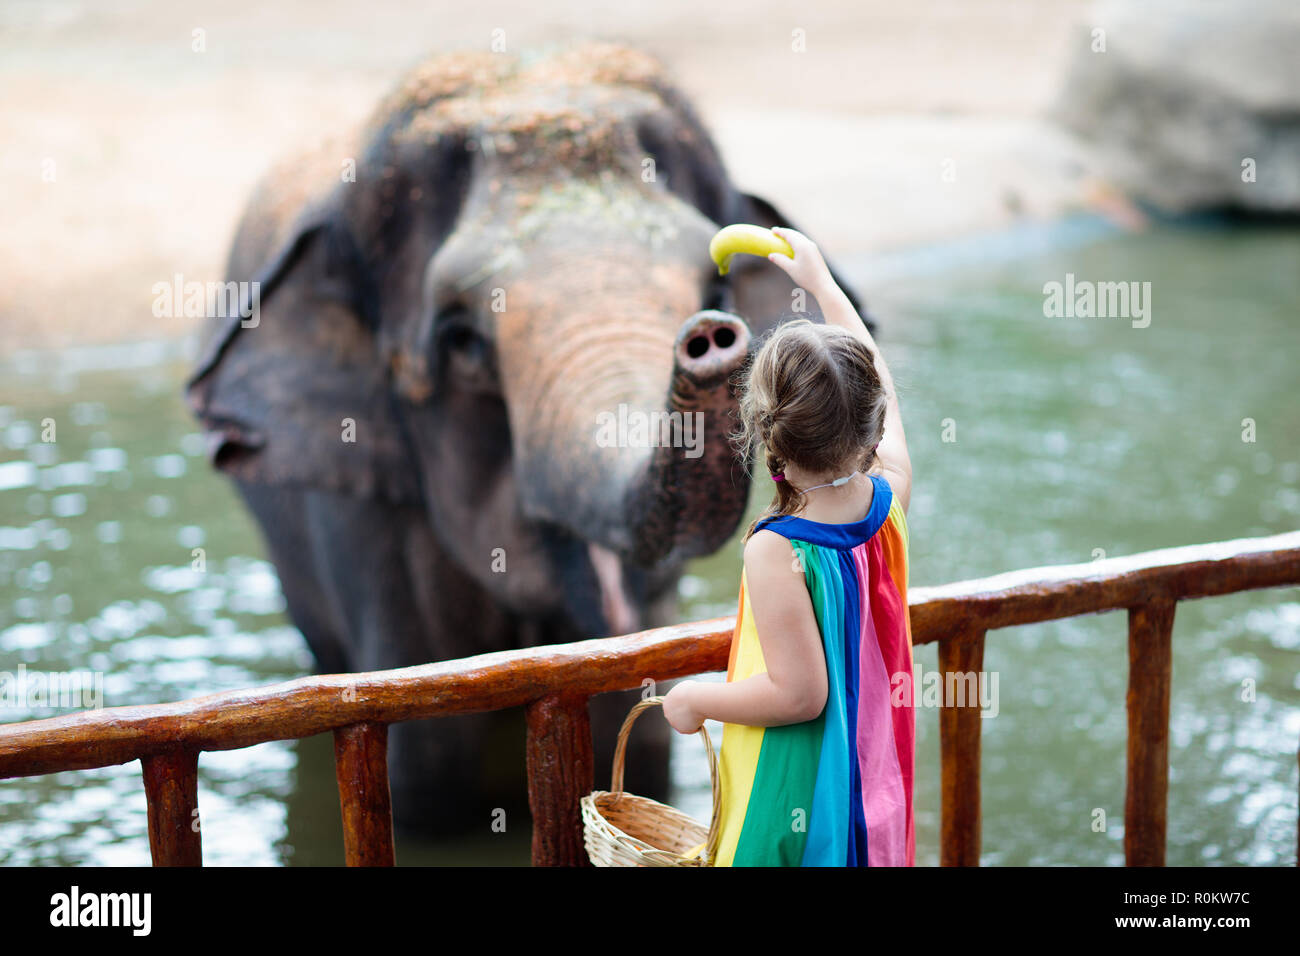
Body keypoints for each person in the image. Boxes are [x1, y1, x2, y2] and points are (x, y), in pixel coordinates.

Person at [662, 226, 914, 866]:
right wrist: (824, 285)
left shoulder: (776, 549)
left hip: (797, 797)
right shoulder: (890, 500)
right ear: (875, 426)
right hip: (872, 779)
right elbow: (879, 381)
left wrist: (694, 699)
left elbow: (801, 696)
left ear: (762, 429)